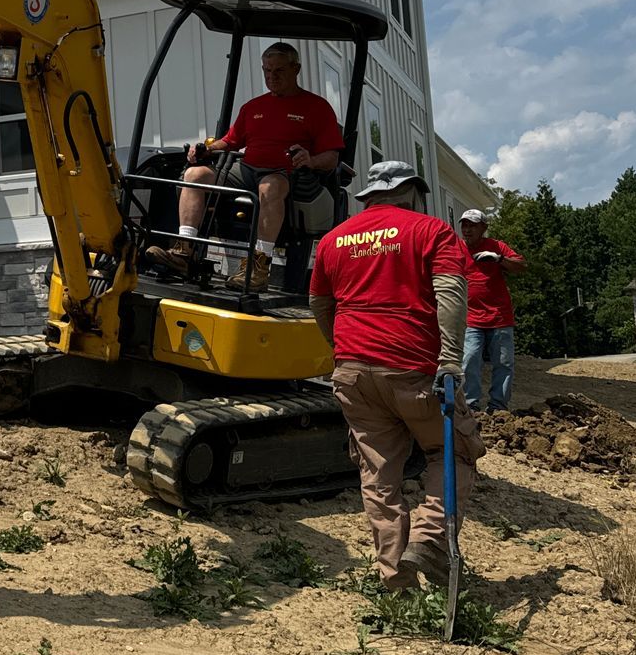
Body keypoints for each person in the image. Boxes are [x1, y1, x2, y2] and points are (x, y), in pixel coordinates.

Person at [308, 159, 485, 590]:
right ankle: (429, 541)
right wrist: (449, 360)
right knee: (456, 454)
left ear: (369, 196)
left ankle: (394, 576)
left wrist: (344, 348)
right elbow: (449, 295)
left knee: (378, 474)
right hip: (412, 368)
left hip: (353, 374)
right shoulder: (430, 231)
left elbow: (319, 304)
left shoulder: (333, 240)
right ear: (410, 192)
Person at [144, 42, 343, 291]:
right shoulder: (253, 107)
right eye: (266, 71)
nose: (271, 76)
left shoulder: (317, 107)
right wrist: (207, 149)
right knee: (194, 174)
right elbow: (230, 141)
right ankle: (185, 251)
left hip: (286, 174)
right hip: (246, 169)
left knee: (270, 188)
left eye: (278, 71)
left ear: (296, 69)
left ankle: (258, 265)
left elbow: (332, 158)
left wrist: (311, 160)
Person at [458, 209, 523, 413]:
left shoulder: (496, 246)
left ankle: (498, 407)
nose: (467, 230)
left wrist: (499, 259)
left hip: (499, 316)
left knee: (503, 363)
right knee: (469, 361)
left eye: (473, 225)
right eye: (464, 225)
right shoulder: (456, 249)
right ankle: (471, 406)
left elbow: (521, 266)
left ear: (483, 228)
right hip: (471, 317)